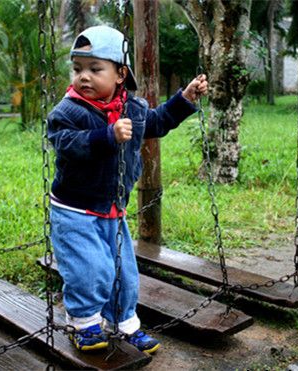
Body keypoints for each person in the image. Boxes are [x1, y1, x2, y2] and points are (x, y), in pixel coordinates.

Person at [47, 25, 208, 354]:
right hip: (75, 209)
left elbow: (157, 122)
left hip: (111, 208)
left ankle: (122, 322)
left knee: (123, 272)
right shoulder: (68, 111)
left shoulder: (132, 109)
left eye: (95, 69)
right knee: (89, 269)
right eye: (77, 69)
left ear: (120, 74)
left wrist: (184, 100)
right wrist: (107, 135)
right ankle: (84, 322)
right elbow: (65, 144)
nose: (84, 77)